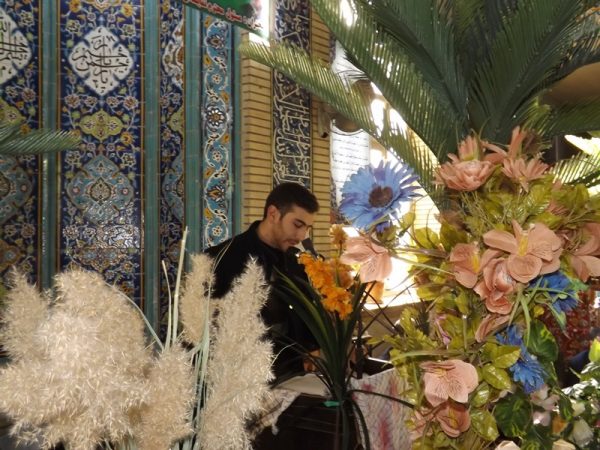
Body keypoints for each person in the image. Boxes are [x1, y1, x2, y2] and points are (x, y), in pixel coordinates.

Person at [205, 182, 320, 380]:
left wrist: (312, 347)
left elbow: (304, 315)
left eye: (307, 228)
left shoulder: (297, 262)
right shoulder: (222, 258)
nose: (301, 236)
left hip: (292, 377)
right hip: (239, 381)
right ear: (273, 213)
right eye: (297, 225)